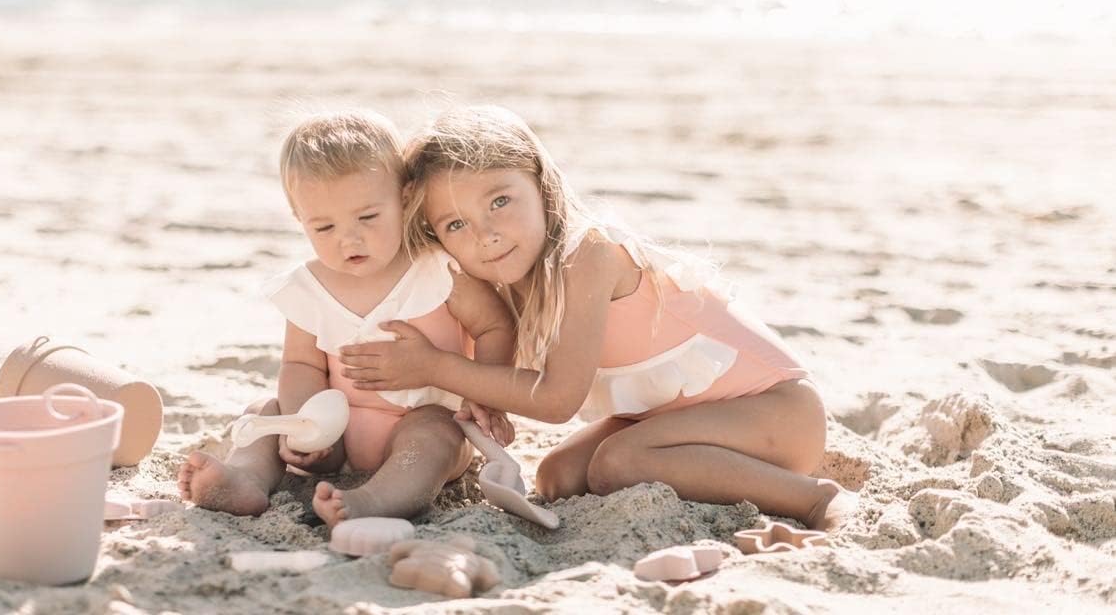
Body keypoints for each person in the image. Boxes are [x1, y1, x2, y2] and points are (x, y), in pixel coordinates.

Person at [338, 105, 857, 531]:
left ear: (541, 186)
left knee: (619, 464)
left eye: (500, 200)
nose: (485, 234)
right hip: (673, 416)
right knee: (559, 475)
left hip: (774, 411)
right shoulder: (510, 272)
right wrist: (484, 399)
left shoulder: (588, 254)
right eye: (456, 224)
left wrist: (431, 367)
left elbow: (557, 400)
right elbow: (505, 370)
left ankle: (812, 498)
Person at [178, 109, 515, 526]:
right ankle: (246, 478)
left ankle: (373, 502)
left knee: (433, 435)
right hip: (335, 434)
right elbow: (301, 364)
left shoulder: (437, 271)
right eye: (323, 227)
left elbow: (495, 325)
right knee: (264, 409)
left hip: (422, 421)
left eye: (368, 218)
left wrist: (484, 393)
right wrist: (303, 425)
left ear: (406, 198)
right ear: (300, 219)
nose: (348, 238)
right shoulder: (308, 288)